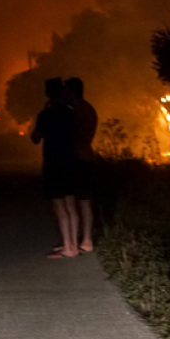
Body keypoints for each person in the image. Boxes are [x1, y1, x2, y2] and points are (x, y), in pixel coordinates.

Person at [31, 77, 79, 258]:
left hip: (53, 162)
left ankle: (68, 247)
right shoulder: (70, 112)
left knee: (59, 207)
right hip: (70, 161)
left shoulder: (45, 115)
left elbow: (36, 138)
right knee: (71, 206)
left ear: (47, 93)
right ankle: (73, 244)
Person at [64, 77, 98, 253]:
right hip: (83, 157)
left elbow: (76, 133)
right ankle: (80, 240)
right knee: (81, 202)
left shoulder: (80, 110)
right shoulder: (85, 108)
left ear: (72, 91)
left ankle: (85, 240)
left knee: (82, 202)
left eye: (66, 90)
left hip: (81, 158)